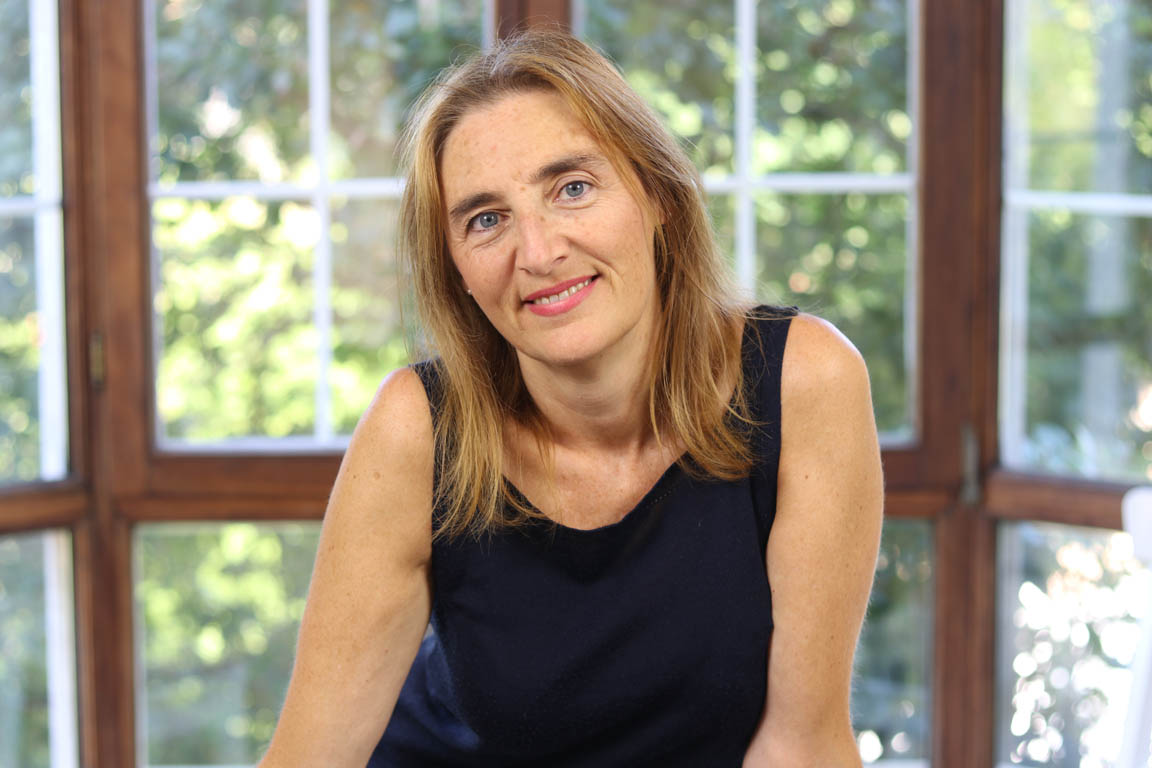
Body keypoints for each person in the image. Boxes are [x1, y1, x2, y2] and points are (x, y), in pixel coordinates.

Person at [258, 27, 883, 768]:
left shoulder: (804, 380)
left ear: (657, 196)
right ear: (455, 268)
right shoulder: (417, 429)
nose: (539, 252)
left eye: (573, 189)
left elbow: (802, 747)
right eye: (486, 220)